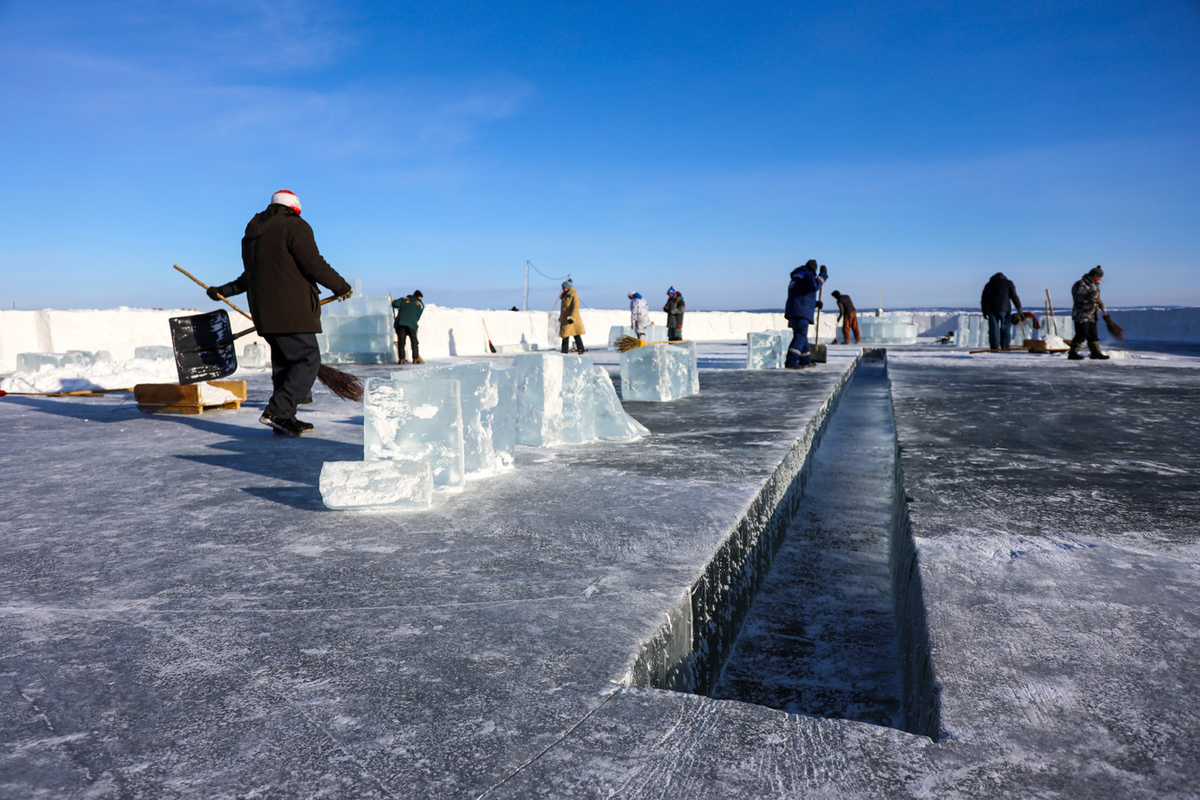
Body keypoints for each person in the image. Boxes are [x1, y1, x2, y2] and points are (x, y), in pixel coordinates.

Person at [208, 189, 352, 436]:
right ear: (295, 207)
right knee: (307, 359)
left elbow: (251, 277)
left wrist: (222, 290)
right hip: (292, 311)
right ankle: (278, 411)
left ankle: (284, 419)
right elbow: (313, 262)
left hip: (265, 313)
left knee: (285, 364)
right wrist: (341, 286)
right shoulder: (294, 226)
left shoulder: (253, 235)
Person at [784, 260, 827, 369]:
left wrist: (815, 304)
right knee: (800, 335)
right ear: (813, 268)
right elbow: (814, 286)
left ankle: (805, 360)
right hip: (801, 311)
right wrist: (823, 275)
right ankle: (791, 361)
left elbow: (801, 293)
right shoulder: (808, 273)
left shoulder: (797, 275)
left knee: (801, 335)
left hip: (794, 309)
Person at [1068, 266, 1110, 361]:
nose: (1100, 280)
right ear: (1093, 276)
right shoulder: (1081, 284)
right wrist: (1090, 296)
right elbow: (1078, 297)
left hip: (1092, 314)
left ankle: (1096, 353)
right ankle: (1072, 353)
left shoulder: (1094, 285)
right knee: (1081, 334)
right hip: (1082, 314)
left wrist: (1100, 304)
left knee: (1093, 335)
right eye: (1099, 278)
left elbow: (1095, 298)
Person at [980, 272, 1024, 351]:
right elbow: (1014, 296)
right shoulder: (1009, 283)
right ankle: (1005, 347)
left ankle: (994, 348)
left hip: (991, 310)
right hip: (1005, 310)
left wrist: (984, 311)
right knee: (1005, 329)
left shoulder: (989, 285)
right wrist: (1019, 309)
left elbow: (984, 299)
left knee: (993, 329)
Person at [392, 290, 424, 364]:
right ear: (418, 297)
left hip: (401, 323)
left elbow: (394, 303)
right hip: (412, 324)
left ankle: (401, 359)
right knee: (414, 342)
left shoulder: (404, 299)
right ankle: (415, 358)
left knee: (401, 342)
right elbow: (418, 316)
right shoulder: (420, 304)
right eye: (420, 298)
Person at [559, 279, 586, 353]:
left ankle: (581, 349)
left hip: (572, 319)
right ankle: (564, 351)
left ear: (568, 287)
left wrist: (572, 317)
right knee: (565, 336)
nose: (562, 289)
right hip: (565, 319)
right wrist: (561, 317)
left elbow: (575, 307)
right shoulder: (564, 296)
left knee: (576, 335)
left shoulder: (574, 295)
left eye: (564, 287)